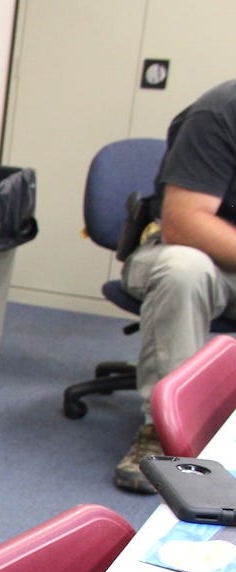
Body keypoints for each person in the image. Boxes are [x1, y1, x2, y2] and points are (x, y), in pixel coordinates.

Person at [114, 78, 236, 494]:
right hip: (193, 255)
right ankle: (163, 432)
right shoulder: (221, 112)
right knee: (184, 270)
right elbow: (186, 223)